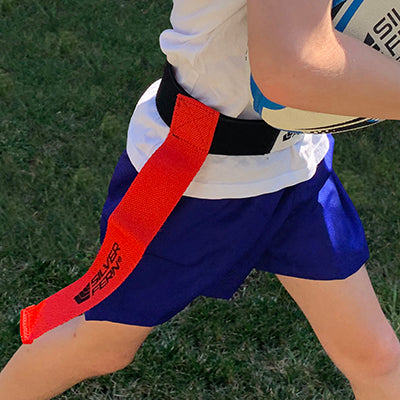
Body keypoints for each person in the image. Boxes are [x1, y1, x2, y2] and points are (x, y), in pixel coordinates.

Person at [1, 0, 400, 398]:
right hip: (196, 174)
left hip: (296, 163)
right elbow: (292, 68)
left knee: (376, 357)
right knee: (101, 344)